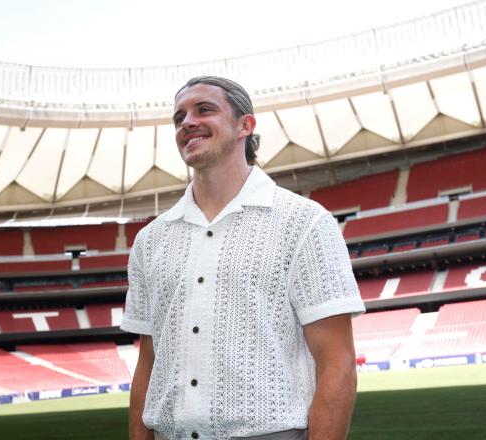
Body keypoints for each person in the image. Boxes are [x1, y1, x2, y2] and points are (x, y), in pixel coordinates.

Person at [120, 76, 365, 440]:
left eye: (204, 110)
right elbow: (148, 365)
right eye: (179, 117)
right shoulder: (150, 240)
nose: (187, 122)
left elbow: (337, 363)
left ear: (245, 126)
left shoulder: (305, 222)